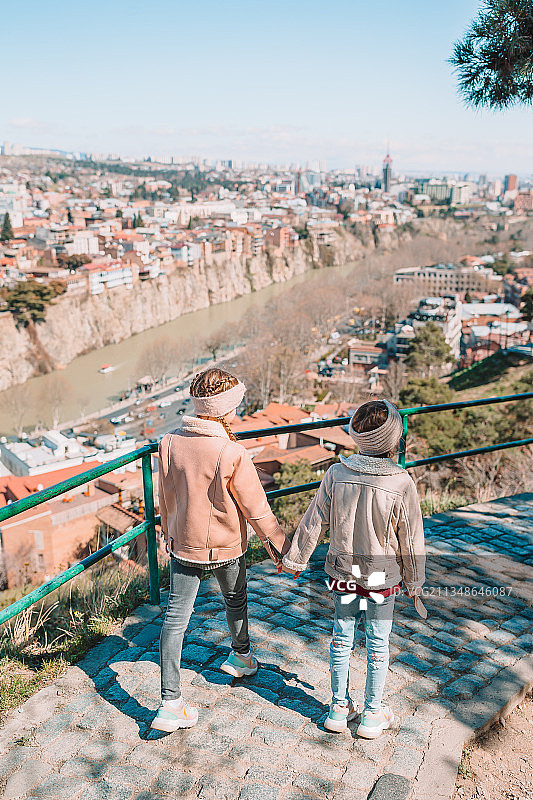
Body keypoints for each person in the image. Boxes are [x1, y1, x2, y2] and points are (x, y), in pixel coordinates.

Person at [152, 368, 290, 732]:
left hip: (183, 545)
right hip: (226, 546)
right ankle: (241, 656)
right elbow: (256, 509)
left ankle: (169, 703)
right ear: (224, 408)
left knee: (175, 619)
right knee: (235, 600)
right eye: (235, 404)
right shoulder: (231, 451)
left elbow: (165, 496)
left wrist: (168, 533)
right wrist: (281, 548)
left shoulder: (168, 442)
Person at [282, 399, 425, 738]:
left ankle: (338, 708)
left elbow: (314, 520)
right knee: (378, 643)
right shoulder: (401, 482)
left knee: (341, 638)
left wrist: (296, 560)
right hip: (380, 577)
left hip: (343, 572)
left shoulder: (336, 473)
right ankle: (372, 714)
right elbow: (411, 538)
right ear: (394, 438)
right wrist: (415, 581)